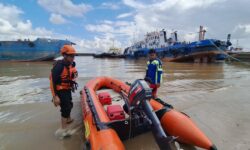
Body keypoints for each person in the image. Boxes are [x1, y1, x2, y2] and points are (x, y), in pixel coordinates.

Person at [49, 45, 78, 137]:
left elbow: (69, 77)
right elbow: (52, 82)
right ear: (65, 55)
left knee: (69, 104)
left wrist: (72, 86)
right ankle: (63, 130)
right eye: (71, 56)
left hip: (67, 89)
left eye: (73, 56)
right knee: (65, 108)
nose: (73, 58)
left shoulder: (68, 64)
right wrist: (55, 96)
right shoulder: (59, 66)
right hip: (60, 91)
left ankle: (68, 119)